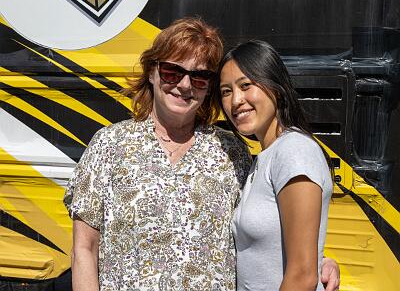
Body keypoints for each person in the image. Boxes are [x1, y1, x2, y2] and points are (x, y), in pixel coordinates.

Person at [64, 17, 340, 291]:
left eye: (199, 77)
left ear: (208, 88)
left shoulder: (231, 151)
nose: (185, 85)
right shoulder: (110, 145)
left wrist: (318, 262)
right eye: (172, 72)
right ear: (151, 73)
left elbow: (263, 226)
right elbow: (84, 249)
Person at [218, 40, 336, 291]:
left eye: (246, 85)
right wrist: (325, 260)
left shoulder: (294, 151)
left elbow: (303, 276)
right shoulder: (266, 156)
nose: (235, 100)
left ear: (276, 87)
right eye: (226, 91)